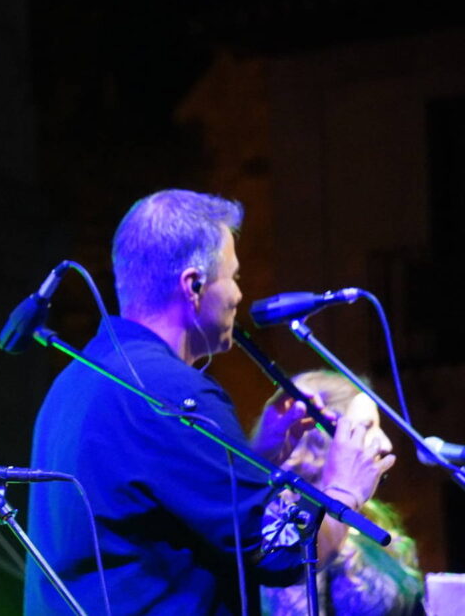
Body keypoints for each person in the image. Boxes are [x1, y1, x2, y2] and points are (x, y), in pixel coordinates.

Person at [24, 189, 394, 615]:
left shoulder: (74, 383)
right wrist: (345, 487)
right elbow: (281, 554)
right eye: (233, 277)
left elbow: (167, 514)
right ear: (194, 285)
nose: (239, 295)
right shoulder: (174, 395)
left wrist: (258, 456)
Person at [260, 370, 425, 616]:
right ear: (318, 440)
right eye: (367, 428)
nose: (386, 444)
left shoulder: (368, 517)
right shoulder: (291, 528)